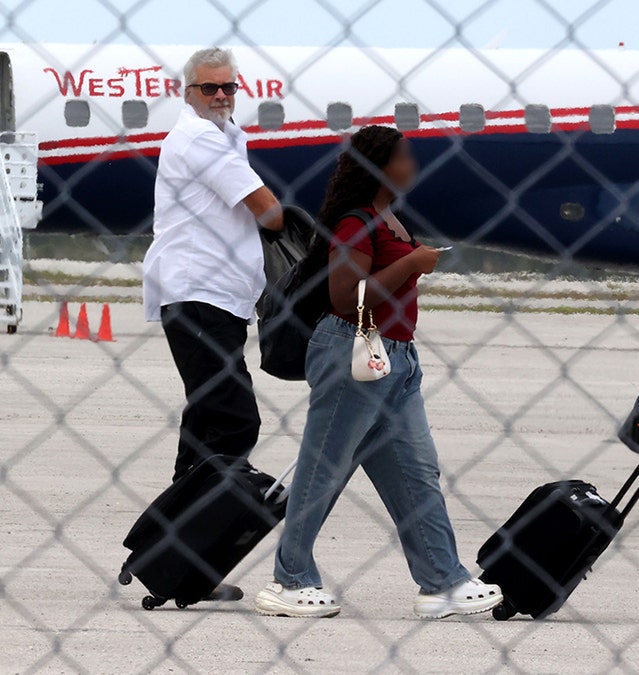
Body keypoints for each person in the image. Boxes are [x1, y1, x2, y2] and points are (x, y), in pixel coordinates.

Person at [254, 126, 503, 620]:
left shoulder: (389, 218)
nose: (414, 164)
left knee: (416, 472)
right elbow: (347, 297)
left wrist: (410, 258)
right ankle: (289, 580)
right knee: (322, 468)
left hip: (395, 360)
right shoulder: (356, 222)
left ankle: (442, 581)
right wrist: (413, 263)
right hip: (353, 353)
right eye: (405, 156)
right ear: (381, 167)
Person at [143, 47, 284, 483]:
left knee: (206, 420)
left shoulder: (220, 135)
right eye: (209, 87)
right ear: (188, 93)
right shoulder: (201, 139)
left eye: (228, 86)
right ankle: (209, 510)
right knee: (235, 420)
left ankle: (178, 520)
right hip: (199, 293)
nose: (220, 95)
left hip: (214, 297)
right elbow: (270, 211)